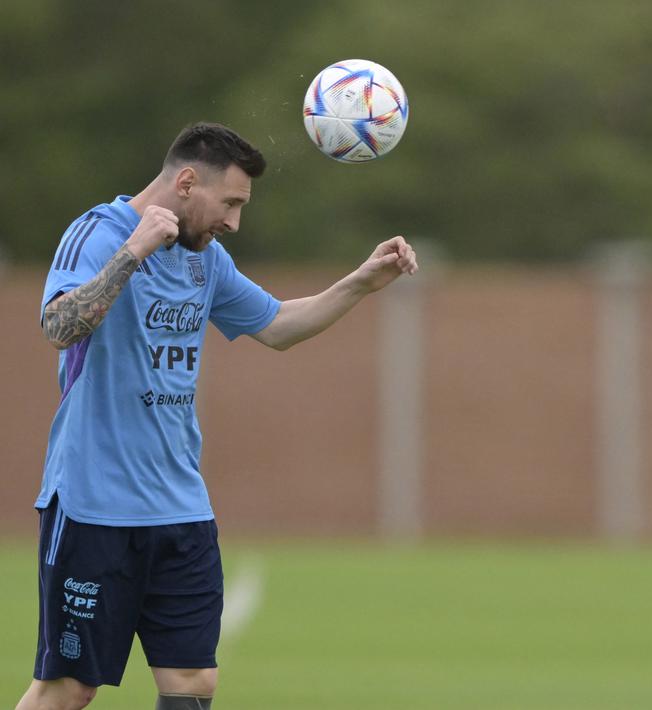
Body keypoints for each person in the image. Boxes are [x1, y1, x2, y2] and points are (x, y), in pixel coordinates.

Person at [17, 122, 418, 710]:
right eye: (229, 203)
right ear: (186, 182)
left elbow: (278, 326)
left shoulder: (205, 261)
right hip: (92, 507)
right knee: (69, 689)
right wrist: (134, 252)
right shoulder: (98, 233)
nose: (234, 221)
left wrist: (360, 283)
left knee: (193, 683)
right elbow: (58, 327)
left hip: (182, 510)